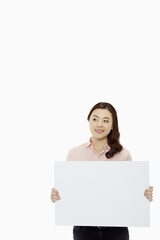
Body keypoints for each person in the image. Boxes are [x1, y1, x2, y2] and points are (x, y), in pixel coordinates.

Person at [51, 102, 153, 240]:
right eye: (95, 119)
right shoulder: (74, 154)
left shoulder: (123, 155)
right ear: (88, 121)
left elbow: (129, 193)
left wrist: (143, 195)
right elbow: (69, 192)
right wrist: (57, 197)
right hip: (83, 230)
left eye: (105, 121)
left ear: (112, 125)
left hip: (117, 230)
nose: (99, 124)